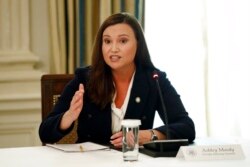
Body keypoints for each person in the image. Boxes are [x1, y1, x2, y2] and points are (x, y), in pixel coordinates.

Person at [39, 12, 195, 148]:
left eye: (122, 41)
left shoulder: (154, 80)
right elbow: (44, 133)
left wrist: (148, 136)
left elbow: (186, 127)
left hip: (133, 162)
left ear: (138, 44)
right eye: (107, 41)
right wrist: (69, 116)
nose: (113, 49)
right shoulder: (85, 79)